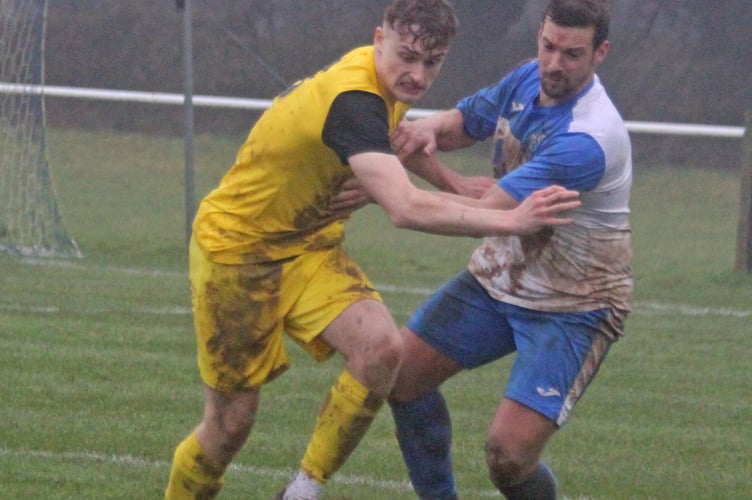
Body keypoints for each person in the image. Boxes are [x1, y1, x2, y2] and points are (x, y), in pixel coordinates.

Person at [163, 0, 581, 498]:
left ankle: (303, 489)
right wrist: (510, 220)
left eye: (432, 62)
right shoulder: (353, 99)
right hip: (237, 252)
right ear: (378, 38)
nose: (417, 74)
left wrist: (450, 182)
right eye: (407, 56)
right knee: (230, 425)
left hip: (308, 247)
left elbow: (392, 140)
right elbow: (402, 207)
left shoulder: (381, 82)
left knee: (383, 350)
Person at [386, 0, 633, 498]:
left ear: (599, 53)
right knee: (401, 377)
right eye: (548, 46)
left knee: (508, 457)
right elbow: (464, 123)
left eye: (572, 54)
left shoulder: (588, 138)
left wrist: (421, 172)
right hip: (501, 276)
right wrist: (426, 129)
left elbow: (488, 216)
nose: (554, 64)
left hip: (574, 302)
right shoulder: (527, 79)